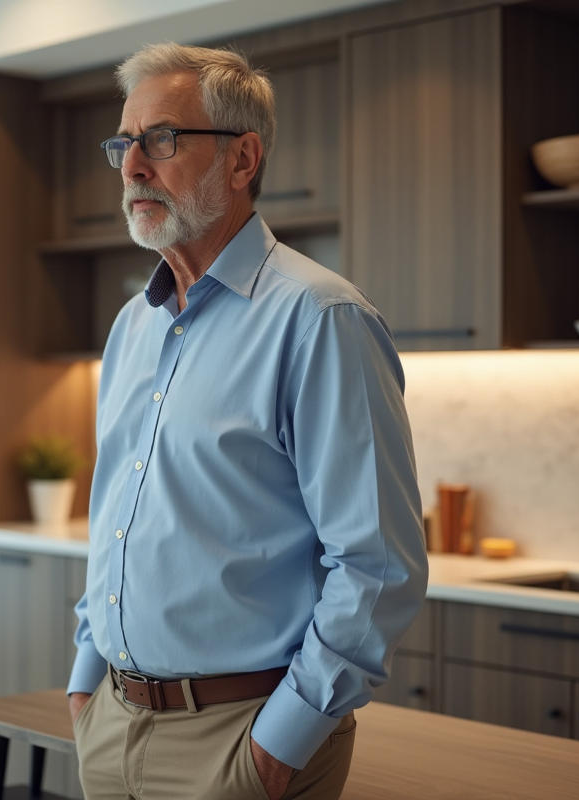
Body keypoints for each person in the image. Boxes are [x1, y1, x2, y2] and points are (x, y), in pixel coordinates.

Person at [66, 43, 429, 800]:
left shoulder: (320, 318)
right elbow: (116, 525)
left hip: (241, 740)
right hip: (111, 726)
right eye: (123, 144)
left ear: (242, 159)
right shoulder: (132, 327)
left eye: (161, 140)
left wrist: (277, 745)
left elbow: (376, 565)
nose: (133, 167)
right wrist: (85, 682)